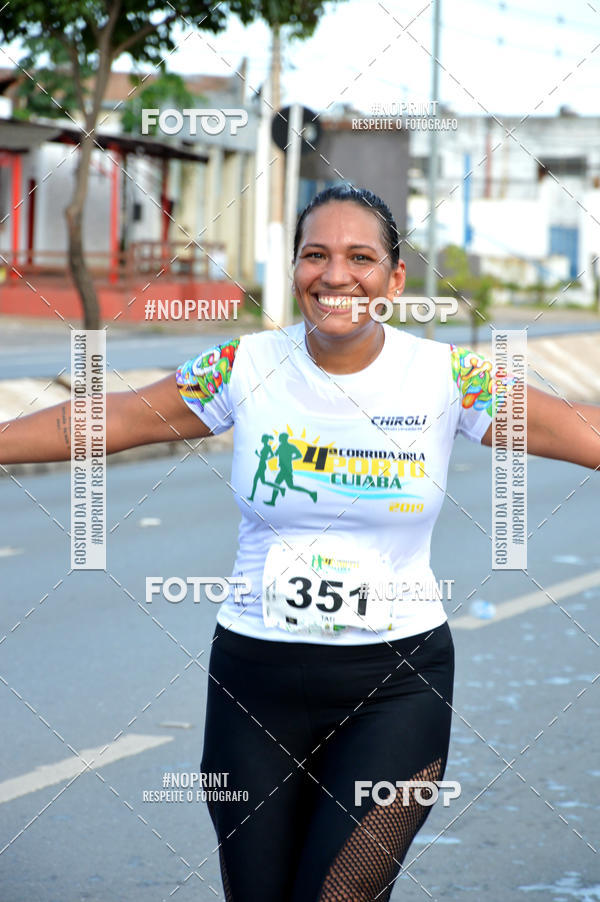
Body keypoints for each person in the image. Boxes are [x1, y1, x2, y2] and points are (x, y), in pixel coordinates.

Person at [1, 185, 599, 901]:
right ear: (295, 269)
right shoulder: (245, 367)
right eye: (316, 255)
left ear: (395, 279)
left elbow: (583, 430)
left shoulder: (448, 378)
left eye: (361, 257)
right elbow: (108, 421)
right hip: (254, 690)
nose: (336, 275)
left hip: (396, 688)